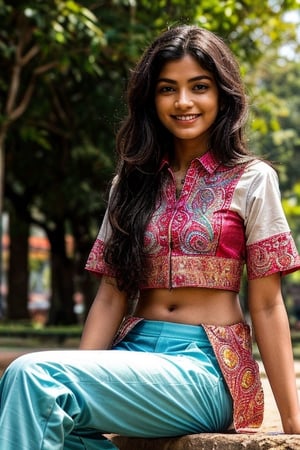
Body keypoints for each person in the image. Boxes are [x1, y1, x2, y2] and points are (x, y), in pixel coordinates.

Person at [1, 25, 300, 450]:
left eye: (199, 87)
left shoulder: (253, 180)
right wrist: (83, 378)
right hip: (132, 354)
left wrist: (292, 420)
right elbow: (110, 294)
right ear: (150, 99)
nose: (183, 102)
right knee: (32, 408)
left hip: (207, 366)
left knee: (33, 375)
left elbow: (268, 303)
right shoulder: (131, 182)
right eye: (167, 89)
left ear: (223, 94)